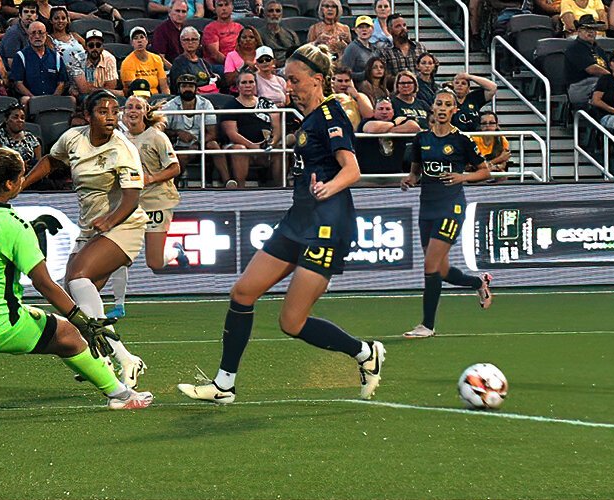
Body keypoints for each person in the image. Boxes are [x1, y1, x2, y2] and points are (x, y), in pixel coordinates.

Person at [176, 44, 387, 404]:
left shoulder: (331, 115)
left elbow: (352, 170)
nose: (289, 86)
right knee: (242, 292)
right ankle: (223, 386)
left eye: (295, 79)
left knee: (291, 323)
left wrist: (328, 188)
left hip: (327, 225)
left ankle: (366, 353)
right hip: (298, 220)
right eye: (287, 79)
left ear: (318, 80)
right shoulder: (310, 116)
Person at [0, 148, 154, 410]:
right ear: (10, 183)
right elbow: (43, 283)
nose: (23, 180)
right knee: (67, 334)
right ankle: (121, 396)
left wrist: (31, 232)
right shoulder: (13, 226)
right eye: (21, 176)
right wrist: (83, 321)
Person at [18, 90, 152, 389]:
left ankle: (111, 357)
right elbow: (52, 161)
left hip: (124, 225)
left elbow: (132, 197)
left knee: (78, 278)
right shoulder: (73, 138)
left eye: (114, 111)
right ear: (88, 116)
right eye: (103, 111)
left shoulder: (123, 148)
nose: (111, 117)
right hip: (92, 228)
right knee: (76, 293)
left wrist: (110, 220)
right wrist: (22, 183)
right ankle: (120, 357)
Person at [398, 90, 496, 339]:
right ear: (432, 108)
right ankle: (478, 283)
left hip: (451, 208)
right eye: (439, 103)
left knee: (430, 266)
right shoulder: (421, 139)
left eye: (448, 105)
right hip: (427, 207)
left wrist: (464, 176)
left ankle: (427, 326)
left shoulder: (462, 140)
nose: (442, 108)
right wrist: (410, 178)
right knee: (440, 270)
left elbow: (485, 172)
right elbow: (416, 169)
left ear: (454, 110)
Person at [103, 95, 183, 318]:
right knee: (119, 255)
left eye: (138, 107)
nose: (132, 110)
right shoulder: (118, 139)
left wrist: (151, 178)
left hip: (157, 201)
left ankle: (176, 250)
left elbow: (174, 168)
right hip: (130, 204)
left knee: (155, 263)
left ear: (145, 112)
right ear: (123, 112)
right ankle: (119, 304)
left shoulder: (156, 137)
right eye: (129, 107)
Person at [162, 73, 227, 186]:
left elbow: (212, 133)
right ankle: (173, 187)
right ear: (179, 89)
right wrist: (177, 133)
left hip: (202, 142)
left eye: (191, 86)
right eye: (184, 86)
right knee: (181, 155)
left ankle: (228, 182)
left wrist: (198, 143)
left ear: (196, 89)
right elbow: (161, 130)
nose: (187, 89)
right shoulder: (169, 106)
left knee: (214, 145)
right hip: (179, 145)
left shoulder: (206, 104)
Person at [222, 71, 284, 186]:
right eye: (244, 82)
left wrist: (271, 143)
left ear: (255, 84)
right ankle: (240, 189)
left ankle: (280, 188)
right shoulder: (230, 106)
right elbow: (232, 134)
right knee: (239, 149)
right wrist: (252, 146)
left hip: (265, 147)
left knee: (280, 149)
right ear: (238, 86)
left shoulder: (267, 103)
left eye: (251, 82)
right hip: (241, 147)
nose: (248, 85)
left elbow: (277, 129)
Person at [10, 21, 68, 106]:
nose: (37, 36)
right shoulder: (21, 56)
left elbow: (61, 83)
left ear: (46, 35)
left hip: (53, 98)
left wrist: (53, 98)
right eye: (33, 33)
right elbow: (18, 84)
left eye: (41, 33)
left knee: (71, 100)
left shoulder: (56, 57)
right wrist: (35, 100)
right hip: (31, 99)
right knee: (25, 100)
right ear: (28, 35)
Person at [170, 27, 221, 94]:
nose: (190, 42)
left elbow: (212, 79)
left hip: (208, 95)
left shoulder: (204, 62)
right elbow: (179, 87)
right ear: (181, 43)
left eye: (194, 39)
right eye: (186, 40)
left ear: (199, 42)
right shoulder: (178, 62)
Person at [119, 26, 169, 95]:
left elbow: (164, 86)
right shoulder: (127, 63)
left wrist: (166, 99)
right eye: (135, 38)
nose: (139, 41)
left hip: (156, 97)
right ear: (131, 43)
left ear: (147, 40)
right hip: (139, 97)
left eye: (142, 37)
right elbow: (131, 89)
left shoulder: (157, 59)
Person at [203, 0, 244, 65]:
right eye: (220, 5)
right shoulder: (210, 28)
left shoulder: (240, 27)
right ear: (215, 9)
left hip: (239, 63)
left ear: (232, 7)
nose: (224, 8)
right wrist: (232, 65)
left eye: (226, 4)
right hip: (218, 65)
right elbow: (215, 55)